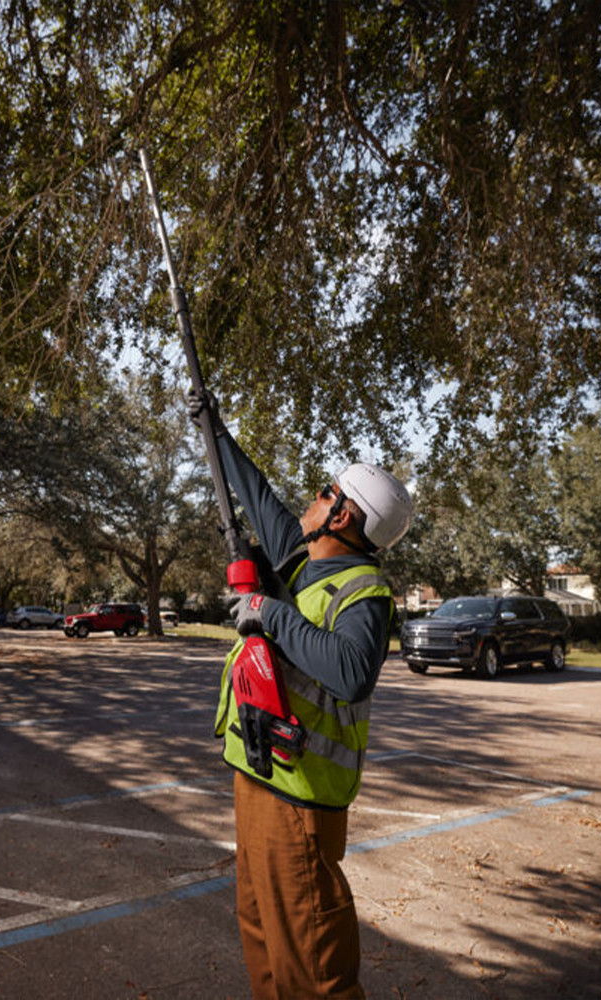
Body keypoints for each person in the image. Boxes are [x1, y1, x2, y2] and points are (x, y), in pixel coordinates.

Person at [188, 390, 412, 1000]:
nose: (312, 499)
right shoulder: (298, 559)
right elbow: (256, 495)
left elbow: (352, 672)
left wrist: (268, 612)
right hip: (259, 773)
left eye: (324, 492)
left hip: (301, 795)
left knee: (313, 966)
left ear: (342, 516)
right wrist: (215, 430)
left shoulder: (364, 592)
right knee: (262, 933)